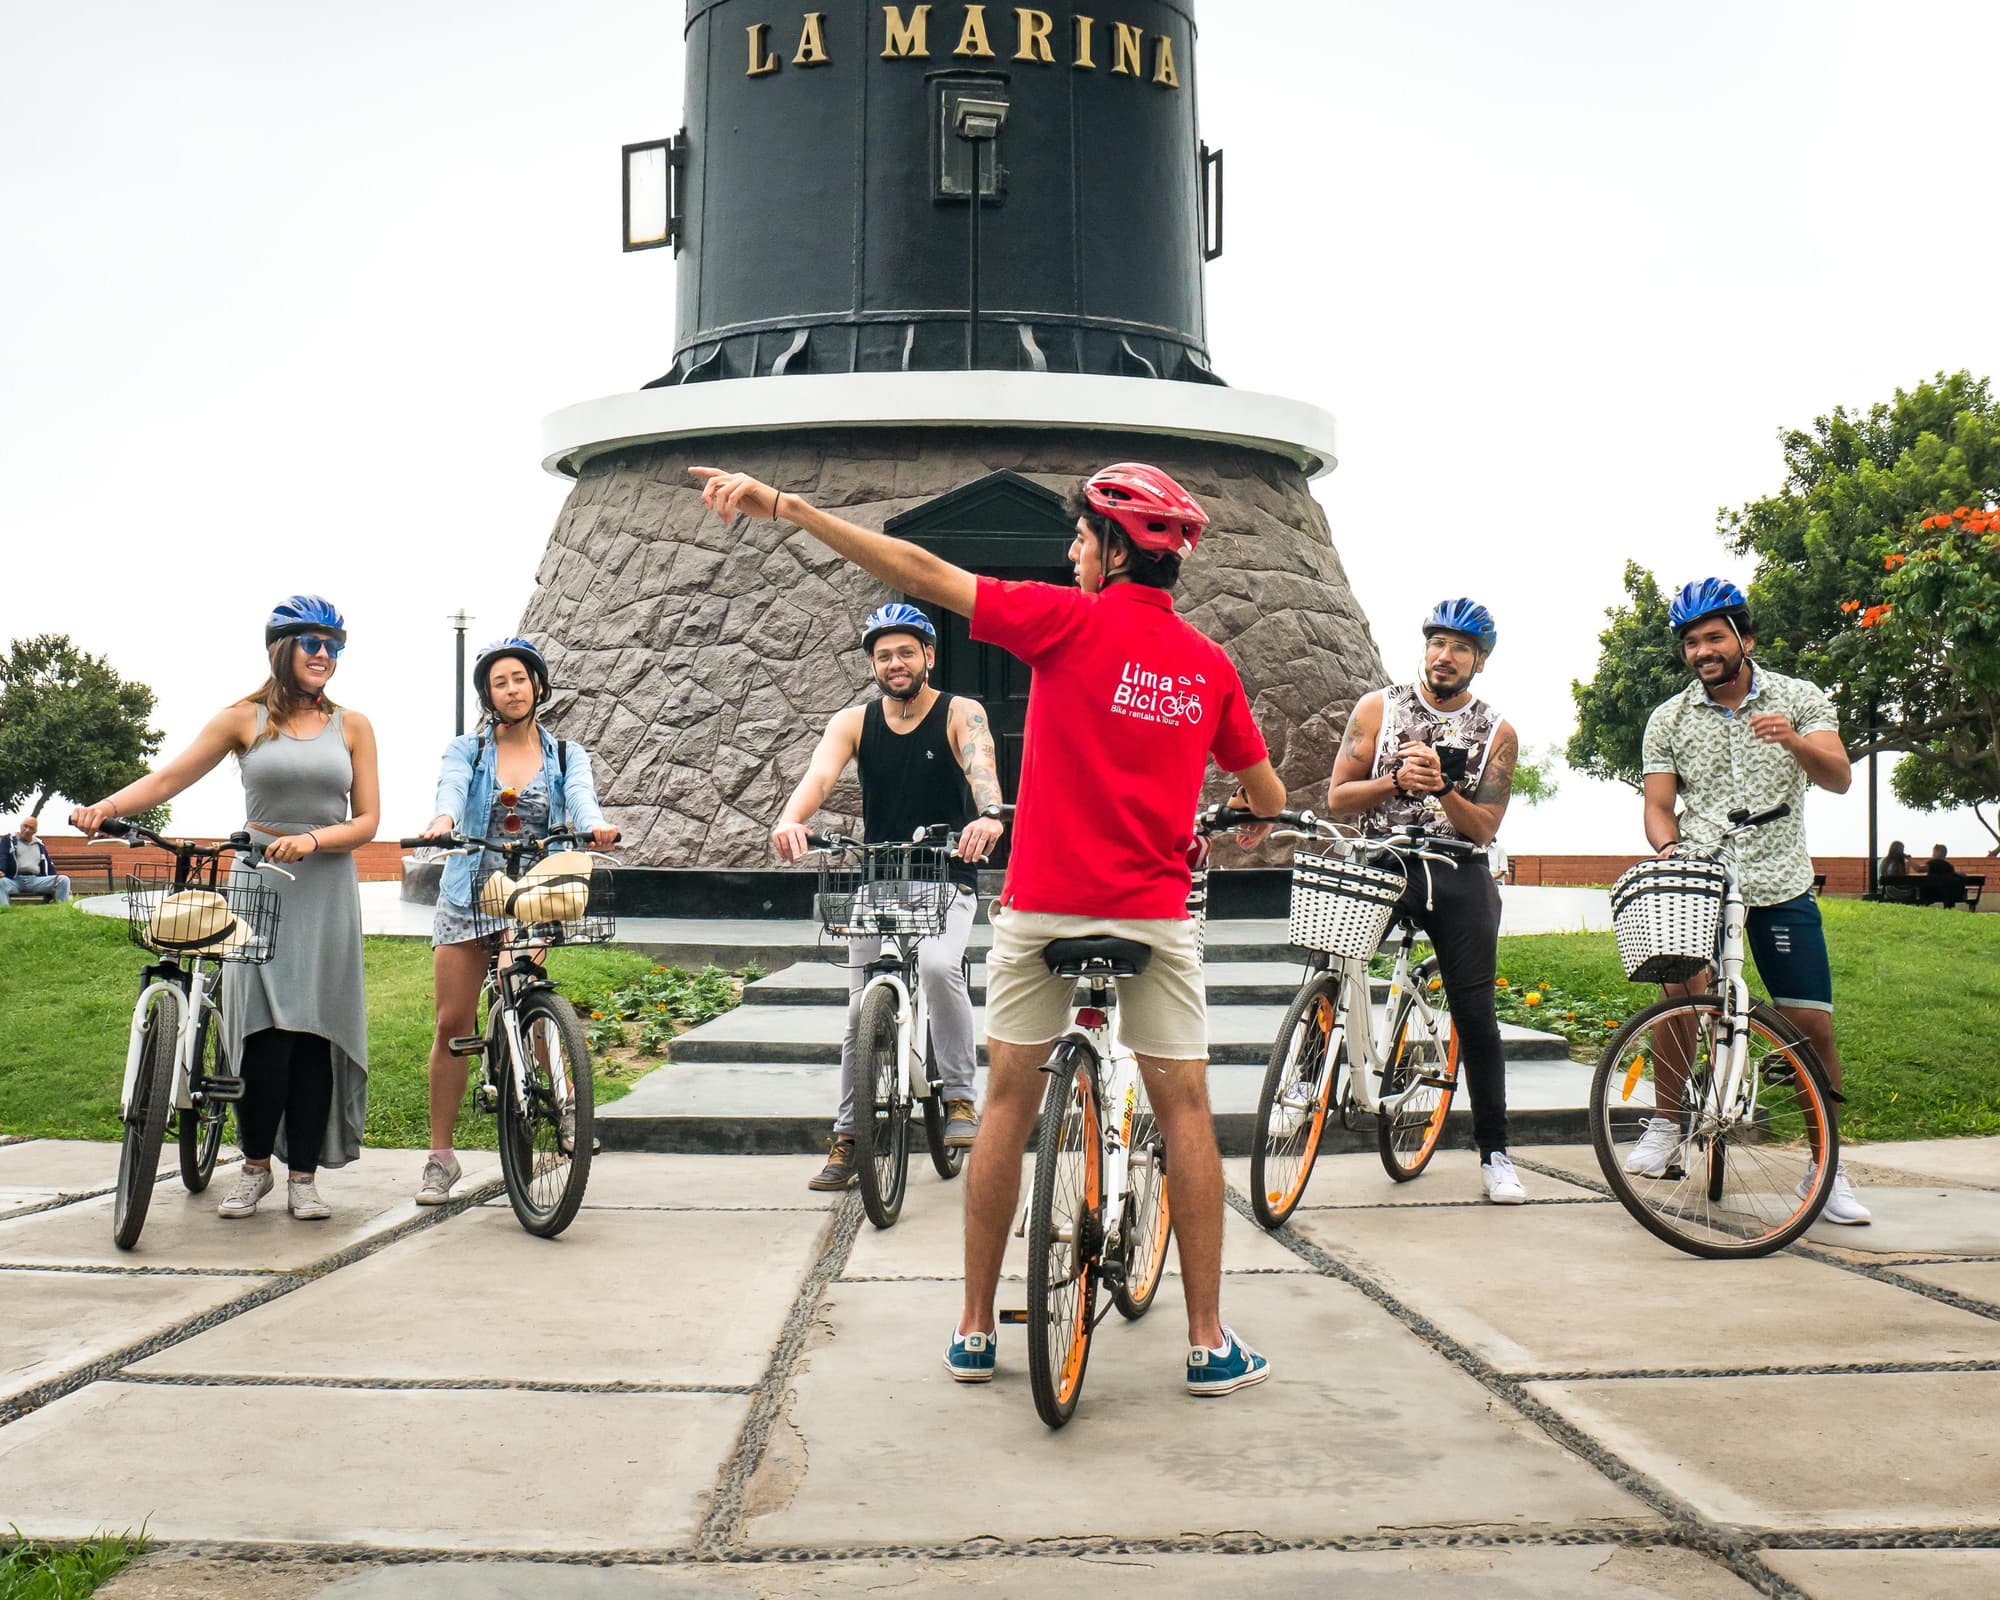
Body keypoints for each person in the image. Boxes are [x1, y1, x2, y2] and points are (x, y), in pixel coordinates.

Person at [692, 459, 1288, 1399]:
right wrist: (1242, 818)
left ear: (1112, 550)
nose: (1070, 552)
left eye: (1080, 539)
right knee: (1185, 1111)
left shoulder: (1065, 620)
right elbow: (1266, 793)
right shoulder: (1210, 666)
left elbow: (919, 571)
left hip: (1044, 906)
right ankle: (1209, 1342)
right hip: (1154, 913)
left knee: (1008, 1100)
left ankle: (975, 1329)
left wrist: (787, 504)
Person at [70, 595, 378, 1222]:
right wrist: (106, 808)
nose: (325, 656)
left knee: (315, 1036)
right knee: (262, 1035)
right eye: (312, 644)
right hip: (260, 882)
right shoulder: (244, 719)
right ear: (282, 649)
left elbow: (369, 820)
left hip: (326, 888)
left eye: (335, 646)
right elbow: (169, 779)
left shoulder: (354, 725)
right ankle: (255, 1169)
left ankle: (303, 1178)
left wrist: (315, 839)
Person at [1633, 579, 1869, 1224]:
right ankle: (1665, 1127)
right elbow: (1657, 806)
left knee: (1809, 1024)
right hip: (1702, 878)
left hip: (1781, 881)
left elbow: (1840, 777)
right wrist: (1670, 851)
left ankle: (1828, 1169)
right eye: (1691, 642)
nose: (1702, 651)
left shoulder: (1801, 697)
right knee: (1678, 997)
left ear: (1744, 640)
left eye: (1713, 637)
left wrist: (1793, 740)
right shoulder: (1670, 718)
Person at [771, 603, 1005, 1192]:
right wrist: (790, 819)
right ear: (872, 664)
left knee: (936, 965)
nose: (895, 663)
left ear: (929, 655)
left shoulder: (961, 712)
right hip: (879, 878)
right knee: (857, 1011)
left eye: (906, 652)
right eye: (883, 655)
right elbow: (819, 778)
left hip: (945, 878)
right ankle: (849, 1137)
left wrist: (991, 817)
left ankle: (958, 1098)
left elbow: (983, 771)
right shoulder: (853, 721)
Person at [1324, 598, 1525, 1204]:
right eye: (1438, 643)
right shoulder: (1378, 709)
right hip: (1384, 858)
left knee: (1476, 1013)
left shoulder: (1498, 732)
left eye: (1460, 648)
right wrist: (1393, 782)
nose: (1445, 656)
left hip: (1458, 868)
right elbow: (1338, 798)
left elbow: (1484, 828)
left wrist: (1441, 786)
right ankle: (1304, 1088)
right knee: (1330, 963)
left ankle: (1495, 1152)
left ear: (1479, 663)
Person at [412, 636, 619, 1206]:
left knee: (527, 996)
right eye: (499, 682)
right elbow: (450, 789)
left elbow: (581, 797)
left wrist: (595, 825)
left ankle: (568, 1108)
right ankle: (441, 1157)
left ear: (539, 686)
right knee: (452, 1023)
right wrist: (443, 818)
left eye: (520, 679)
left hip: (530, 894)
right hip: (467, 892)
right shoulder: (469, 750)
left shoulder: (565, 754)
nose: (511, 689)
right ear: (488, 694)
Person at [0, 816, 72, 906]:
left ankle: (62, 908)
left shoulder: (39, 844)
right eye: (25, 826)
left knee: (63, 880)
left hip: (35, 880)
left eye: (31, 828)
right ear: (20, 826)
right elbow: (3, 856)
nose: (27, 830)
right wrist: (1, 870)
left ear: (35, 831)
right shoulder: (9, 840)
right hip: (14, 880)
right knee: (0, 882)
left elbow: (47, 864)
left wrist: (54, 878)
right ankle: (4, 910)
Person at [1921, 843, 1968, 908]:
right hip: (1948, 895)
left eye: (1934, 852)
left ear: (1938, 853)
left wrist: (1910, 860)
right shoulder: (1949, 866)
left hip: (1933, 893)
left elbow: (1919, 869)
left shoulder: (1933, 864)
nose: (1932, 854)